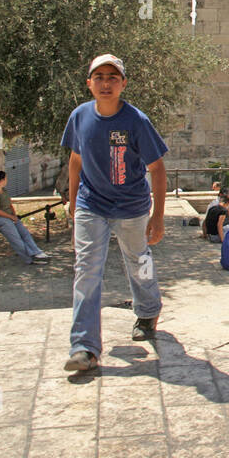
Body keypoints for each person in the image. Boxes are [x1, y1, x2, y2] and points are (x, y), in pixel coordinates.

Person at [60, 54, 168, 375]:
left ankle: (148, 310)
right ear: (89, 83)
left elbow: (157, 168)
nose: (106, 83)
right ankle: (84, 346)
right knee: (87, 269)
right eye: (99, 77)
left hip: (131, 207)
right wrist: (72, 197)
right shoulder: (80, 117)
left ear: (123, 83)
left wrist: (158, 216)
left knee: (138, 260)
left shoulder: (137, 121)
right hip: (91, 204)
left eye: (113, 77)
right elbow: (76, 160)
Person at [0, 169, 49, 265]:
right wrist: (10, 217)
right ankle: (29, 257)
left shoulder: (4, 191)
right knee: (15, 236)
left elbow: (10, 205)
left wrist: (14, 216)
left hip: (9, 217)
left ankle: (36, 251)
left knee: (24, 232)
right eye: (5, 178)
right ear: (2, 180)